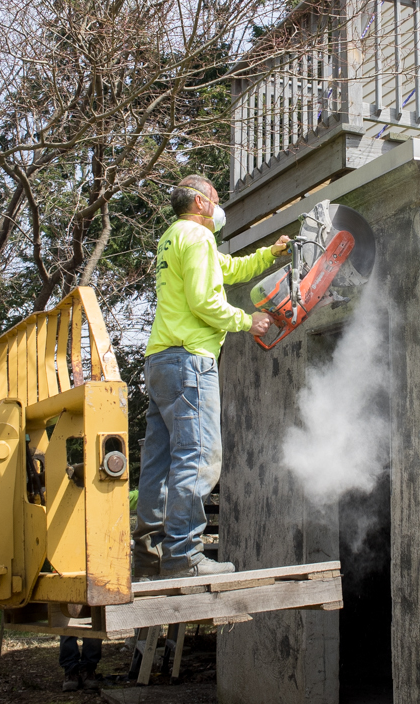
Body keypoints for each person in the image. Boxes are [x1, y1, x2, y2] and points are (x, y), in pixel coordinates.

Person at [132, 174, 289, 580]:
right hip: (190, 361)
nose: (220, 208)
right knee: (198, 457)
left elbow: (229, 269)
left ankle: (150, 555)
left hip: (161, 360)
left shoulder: (172, 238)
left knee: (160, 462)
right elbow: (205, 301)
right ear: (201, 203)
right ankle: (184, 555)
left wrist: (271, 254)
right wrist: (245, 320)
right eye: (216, 200)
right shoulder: (198, 238)